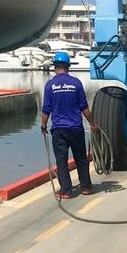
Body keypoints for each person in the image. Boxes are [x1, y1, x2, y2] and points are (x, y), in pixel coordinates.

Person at [40, 51, 99, 199]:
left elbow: (46, 110)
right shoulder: (76, 83)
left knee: (61, 161)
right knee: (81, 158)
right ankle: (86, 187)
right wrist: (92, 124)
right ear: (68, 67)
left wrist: (43, 126)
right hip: (76, 128)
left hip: (59, 129)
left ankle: (66, 190)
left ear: (55, 67)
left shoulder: (50, 85)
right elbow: (84, 107)